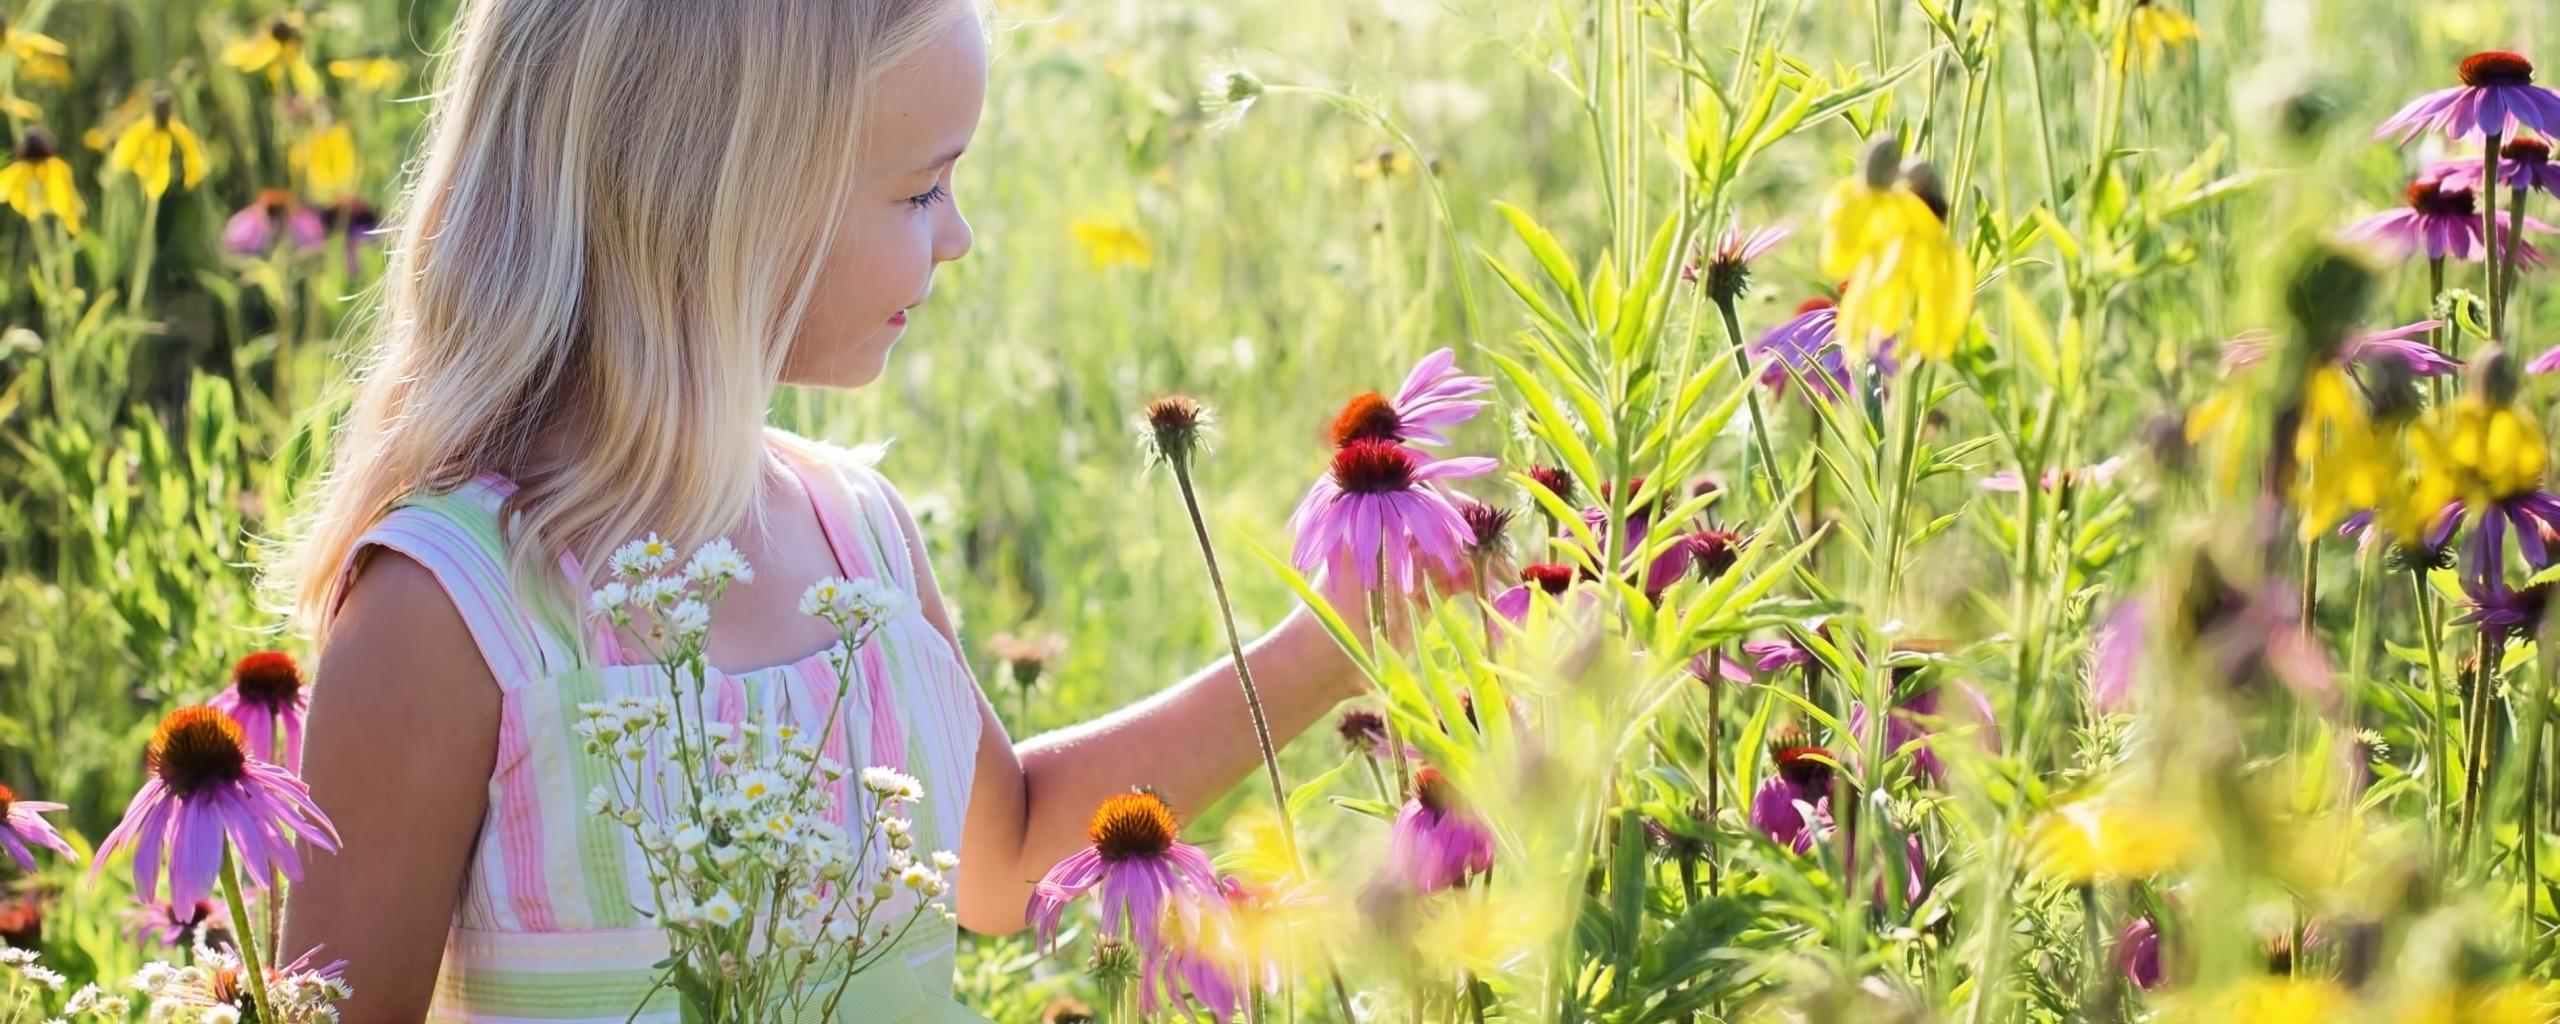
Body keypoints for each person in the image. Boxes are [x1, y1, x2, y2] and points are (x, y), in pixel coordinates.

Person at [264, 1, 1379, 1018]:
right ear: (714, 201)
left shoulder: (860, 538)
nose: (958, 236)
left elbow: (1011, 854)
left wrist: (1330, 643)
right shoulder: (451, 614)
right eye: (919, 190)